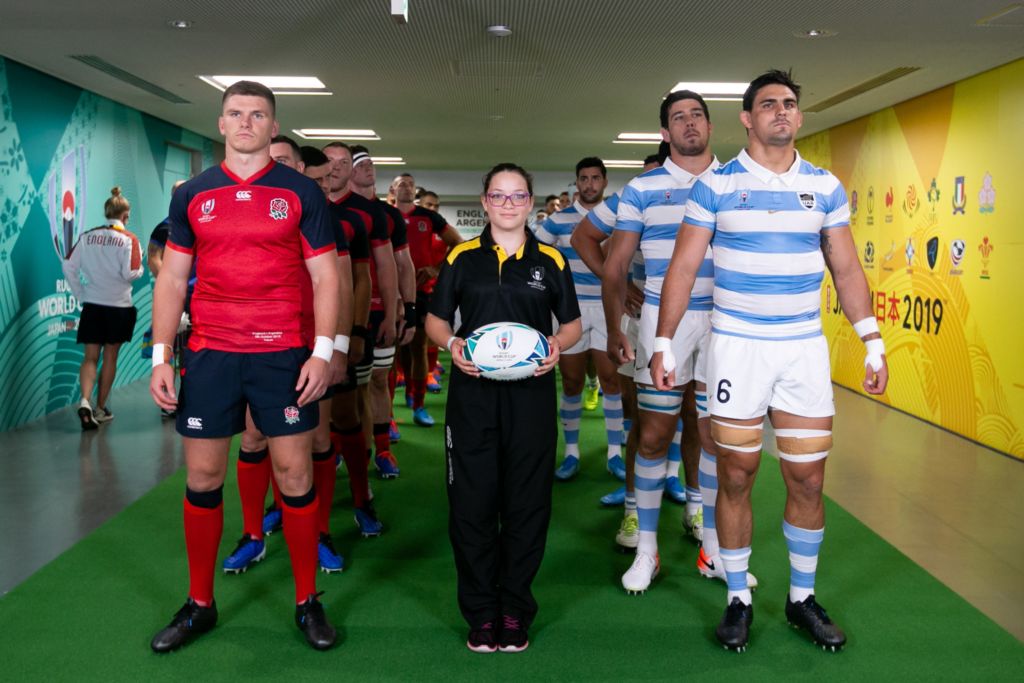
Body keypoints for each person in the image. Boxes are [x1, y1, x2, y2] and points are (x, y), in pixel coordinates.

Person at [651, 69, 889, 652]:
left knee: (808, 478)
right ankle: (738, 597)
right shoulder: (718, 185)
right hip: (737, 348)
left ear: (799, 117)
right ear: (748, 118)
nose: (781, 112)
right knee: (735, 473)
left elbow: (847, 268)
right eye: (768, 104)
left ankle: (801, 598)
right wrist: (662, 341)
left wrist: (872, 339)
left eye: (789, 104)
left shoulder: (826, 186)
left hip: (803, 349)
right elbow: (683, 268)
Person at [148, 80, 341, 652]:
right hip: (210, 352)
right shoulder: (192, 194)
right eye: (236, 113)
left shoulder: (301, 194)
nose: (246, 122)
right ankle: (200, 604)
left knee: (296, 476)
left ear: (273, 126)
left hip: (281, 352)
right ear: (221, 122)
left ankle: (307, 601)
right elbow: (174, 278)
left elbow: (326, 276)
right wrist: (161, 356)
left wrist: (324, 351)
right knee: (203, 477)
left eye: (258, 114)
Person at [425, 163, 581, 653]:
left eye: (518, 196)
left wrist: (556, 344)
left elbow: (573, 325)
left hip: (531, 396)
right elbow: (434, 319)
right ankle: (480, 611)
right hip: (472, 398)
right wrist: (451, 344)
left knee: (526, 505)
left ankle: (514, 610)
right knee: (471, 506)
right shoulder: (461, 257)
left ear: (530, 202)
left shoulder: (552, 260)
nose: (508, 204)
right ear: (485, 201)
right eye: (499, 195)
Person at [602, 91, 724, 594]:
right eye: (679, 117)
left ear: (710, 124)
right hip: (659, 320)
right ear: (664, 133)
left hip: (724, 324)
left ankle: (712, 548)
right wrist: (614, 327)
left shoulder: (736, 180)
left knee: (716, 436)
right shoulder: (642, 188)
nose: (690, 124)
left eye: (697, 115)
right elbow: (614, 264)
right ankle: (647, 552)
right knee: (653, 434)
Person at [569, 151, 662, 547]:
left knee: (693, 418)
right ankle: (631, 505)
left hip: (698, 322)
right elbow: (584, 239)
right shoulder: (631, 199)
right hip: (639, 319)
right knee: (638, 411)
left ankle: (686, 497)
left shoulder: (703, 191)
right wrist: (623, 288)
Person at [534, 158, 624, 483]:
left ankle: (615, 453)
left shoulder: (617, 218)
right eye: (584, 179)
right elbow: (535, 255)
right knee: (571, 383)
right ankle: (571, 452)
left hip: (607, 307)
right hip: (569, 311)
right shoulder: (558, 221)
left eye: (595, 178)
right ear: (577, 182)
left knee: (611, 381)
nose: (589, 184)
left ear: (604, 181)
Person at [63, 186, 144, 430]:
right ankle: (100, 408)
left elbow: (68, 266)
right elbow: (130, 273)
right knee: (110, 357)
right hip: (118, 307)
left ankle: (85, 401)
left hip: (93, 305)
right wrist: (140, 270)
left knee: (90, 357)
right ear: (125, 216)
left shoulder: (87, 237)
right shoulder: (130, 239)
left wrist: (81, 294)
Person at [391, 172, 462, 426]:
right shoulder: (385, 215)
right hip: (391, 293)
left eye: (410, 184)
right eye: (402, 184)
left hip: (422, 292)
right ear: (392, 190)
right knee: (393, 350)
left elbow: (457, 243)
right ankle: (387, 416)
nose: (407, 188)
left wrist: (435, 268)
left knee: (419, 346)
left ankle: (418, 404)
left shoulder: (428, 217)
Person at [146, 179, 188, 418]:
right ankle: (169, 398)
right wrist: (171, 284)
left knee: (191, 353)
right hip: (175, 300)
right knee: (170, 349)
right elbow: (154, 258)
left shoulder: (203, 220)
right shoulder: (164, 227)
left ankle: (188, 395)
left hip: (200, 298)